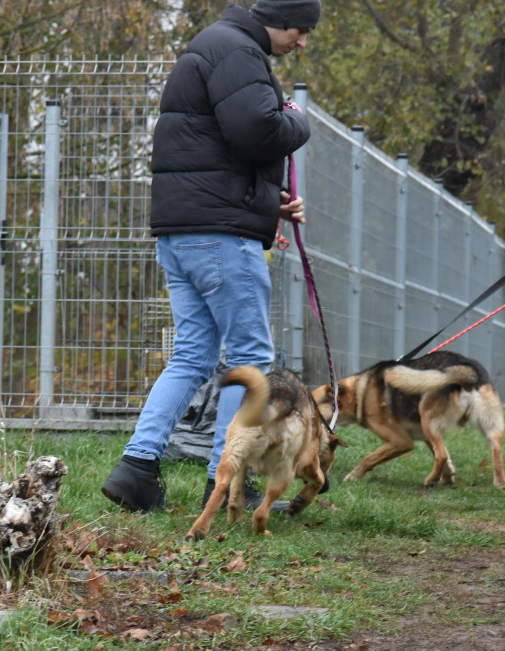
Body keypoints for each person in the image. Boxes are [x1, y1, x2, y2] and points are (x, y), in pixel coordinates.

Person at [100, 0, 321, 512]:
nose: (302, 42)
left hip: (183, 232)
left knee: (193, 354)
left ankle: (136, 468)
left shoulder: (215, 45)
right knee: (249, 361)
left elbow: (215, 149)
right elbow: (260, 131)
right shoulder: (239, 52)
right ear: (278, 18)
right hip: (220, 237)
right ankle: (225, 484)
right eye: (301, 29)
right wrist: (297, 118)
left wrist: (271, 204)